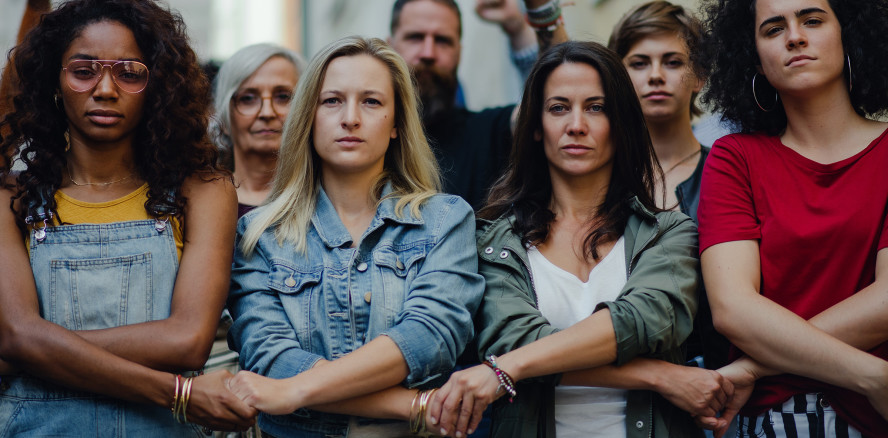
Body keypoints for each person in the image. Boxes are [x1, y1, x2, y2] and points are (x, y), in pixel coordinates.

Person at [426, 41, 732, 438]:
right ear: (536, 127)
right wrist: (658, 375)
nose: (576, 125)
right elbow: (516, 340)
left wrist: (509, 369)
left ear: (620, 123)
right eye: (558, 108)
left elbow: (641, 321)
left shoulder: (670, 233)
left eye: (595, 107)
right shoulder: (492, 241)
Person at [0, 0, 256, 434]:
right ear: (54, 82)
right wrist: (179, 395)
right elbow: (19, 337)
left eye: (129, 73)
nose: (105, 88)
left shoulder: (202, 191)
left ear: (157, 86)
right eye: (84, 70)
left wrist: (33, 351)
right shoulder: (12, 198)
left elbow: (189, 341)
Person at [225, 36, 484, 437]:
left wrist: (296, 390)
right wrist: (413, 405)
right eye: (332, 101)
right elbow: (268, 357)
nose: (350, 118)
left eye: (372, 101)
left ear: (397, 123)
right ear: (308, 116)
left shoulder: (444, 220)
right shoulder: (259, 234)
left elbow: (428, 337)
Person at [696, 0, 888, 437]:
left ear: (849, 35)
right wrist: (872, 376)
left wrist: (751, 367)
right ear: (755, 59)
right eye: (773, 28)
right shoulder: (734, 158)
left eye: (813, 20)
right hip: (776, 418)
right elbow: (732, 309)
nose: (795, 36)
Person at [608, 1, 731, 385]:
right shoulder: (591, 177)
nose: (656, 75)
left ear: (700, 76)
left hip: (712, 379)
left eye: (674, 62)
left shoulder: (729, 173)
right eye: (639, 63)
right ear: (616, 76)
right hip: (608, 375)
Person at [387, 0, 537, 209]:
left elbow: (552, 107)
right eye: (415, 37)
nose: (428, 52)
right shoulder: (360, 138)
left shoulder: (488, 133)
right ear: (389, 47)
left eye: (442, 41)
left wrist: (520, 27)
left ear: (459, 52)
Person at [212, 43, 304, 218]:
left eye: (283, 97)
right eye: (248, 98)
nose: (267, 112)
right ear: (223, 118)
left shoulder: (328, 202)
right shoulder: (199, 204)